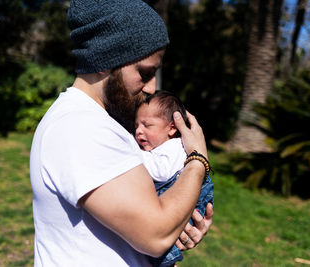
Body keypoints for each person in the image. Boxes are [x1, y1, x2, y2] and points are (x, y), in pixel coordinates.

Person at [30, 0, 213, 266]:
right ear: (104, 60)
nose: (151, 87)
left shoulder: (100, 122)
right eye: (144, 73)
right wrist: (197, 159)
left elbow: (154, 228)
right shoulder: (80, 127)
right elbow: (155, 233)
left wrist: (180, 224)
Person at [135, 91, 214, 267]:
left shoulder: (174, 146)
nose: (139, 130)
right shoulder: (162, 146)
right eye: (137, 125)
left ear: (172, 128)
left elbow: (161, 172)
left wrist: (131, 151)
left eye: (147, 125)